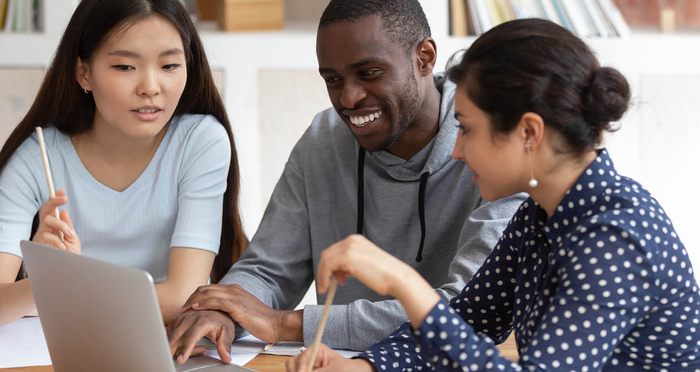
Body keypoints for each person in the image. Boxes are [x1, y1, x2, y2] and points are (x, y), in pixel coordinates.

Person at [286, 18, 700, 371]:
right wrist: (364, 366)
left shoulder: (615, 236)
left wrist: (404, 283)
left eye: (466, 128)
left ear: (528, 133)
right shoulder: (537, 216)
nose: (457, 150)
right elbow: (466, 324)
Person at [166, 0, 524, 363]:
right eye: (333, 80)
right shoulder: (324, 138)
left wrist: (285, 324)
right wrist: (222, 309)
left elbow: (469, 311)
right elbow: (269, 266)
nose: (349, 98)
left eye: (369, 73)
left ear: (424, 58)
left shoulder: (493, 152)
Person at [0, 0, 246, 327]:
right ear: (83, 73)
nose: (150, 88)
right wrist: (45, 279)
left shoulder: (199, 143)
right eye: (124, 67)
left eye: (169, 66)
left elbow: (182, 298)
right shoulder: (36, 158)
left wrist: (70, 291)